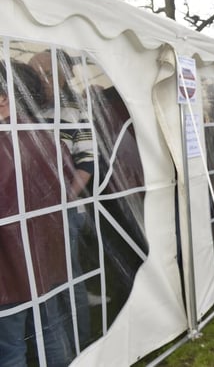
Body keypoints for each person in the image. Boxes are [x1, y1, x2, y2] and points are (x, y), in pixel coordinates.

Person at [0, 60, 75, 366]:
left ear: (4, 96)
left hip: (8, 265)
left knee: (12, 347)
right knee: (50, 333)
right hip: (43, 258)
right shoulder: (44, 135)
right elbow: (67, 182)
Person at [30, 50, 94, 349]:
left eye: (43, 72)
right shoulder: (27, 109)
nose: (37, 78)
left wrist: (62, 200)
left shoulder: (74, 111)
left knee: (67, 279)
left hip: (63, 211)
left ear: (59, 78)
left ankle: (80, 344)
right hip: (31, 213)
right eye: (33, 72)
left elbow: (88, 164)